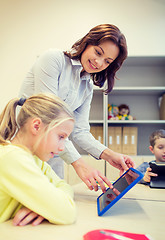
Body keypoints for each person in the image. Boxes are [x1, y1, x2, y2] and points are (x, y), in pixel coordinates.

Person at [19, 24, 135, 193]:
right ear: (88, 42)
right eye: (98, 52)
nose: (99, 62)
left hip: (52, 152)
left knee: (56, 202)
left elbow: (80, 132)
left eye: (107, 61)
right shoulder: (53, 59)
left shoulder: (86, 86)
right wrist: (79, 164)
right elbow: (47, 118)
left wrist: (110, 156)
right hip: (24, 148)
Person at [0, 93, 76, 226]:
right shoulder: (12, 158)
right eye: (60, 137)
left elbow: (64, 186)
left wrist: (42, 208)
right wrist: (51, 207)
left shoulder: (36, 160)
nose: (62, 147)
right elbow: (67, 213)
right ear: (36, 126)